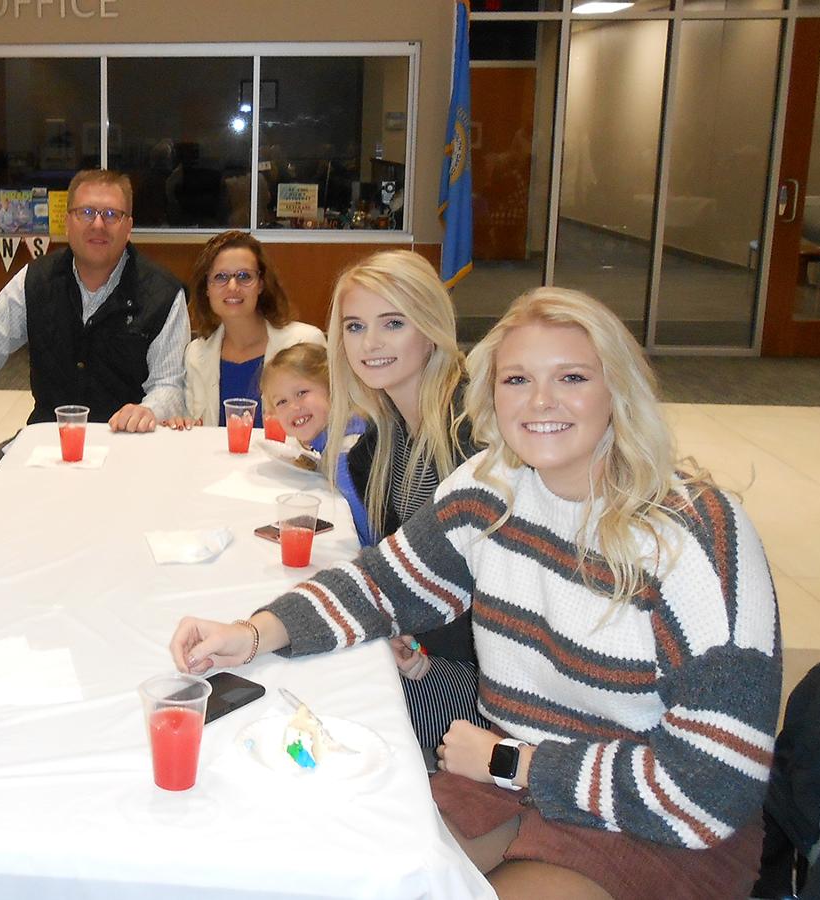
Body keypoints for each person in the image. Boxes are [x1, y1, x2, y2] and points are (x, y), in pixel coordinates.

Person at [170, 287, 780, 900]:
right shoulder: (493, 488)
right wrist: (254, 632)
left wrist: (512, 762)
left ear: (617, 389)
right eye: (517, 380)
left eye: (570, 377)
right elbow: (385, 583)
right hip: (510, 778)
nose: (540, 401)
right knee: (338, 866)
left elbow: (714, 785)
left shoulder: (695, 538)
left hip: (651, 820)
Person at [324, 250, 485, 755]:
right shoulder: (384, 438)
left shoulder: (472, 436)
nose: (369, 343)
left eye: (392, 323)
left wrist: (421, 655)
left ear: (431, 326)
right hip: (421, 647)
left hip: (475, 681)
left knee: (334, 721)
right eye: (355, 326)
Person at [0, 169, 190, 433]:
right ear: (67, 222)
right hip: (48, 446)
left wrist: (148, 411)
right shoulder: (34, 281)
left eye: (112, 214)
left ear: (128, 227)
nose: (98, 224)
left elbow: (169, 385)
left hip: (127, 445)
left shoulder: (164, 294)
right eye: (86, 212)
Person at [163, 230, 323, 430]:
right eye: (220, 277)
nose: (232, 286)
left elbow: (330, 422)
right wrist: (182, 424)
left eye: (244, 276)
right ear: (206, 287)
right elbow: (191, 424)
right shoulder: (195, 354)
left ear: (261, 284)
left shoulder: (305, 341)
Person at [258, 343, 368, 535]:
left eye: (302, 393)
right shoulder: (333, 439)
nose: (294, 407)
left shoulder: (347, 453)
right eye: (281, 402)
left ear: (332, 388)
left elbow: (369, 530)